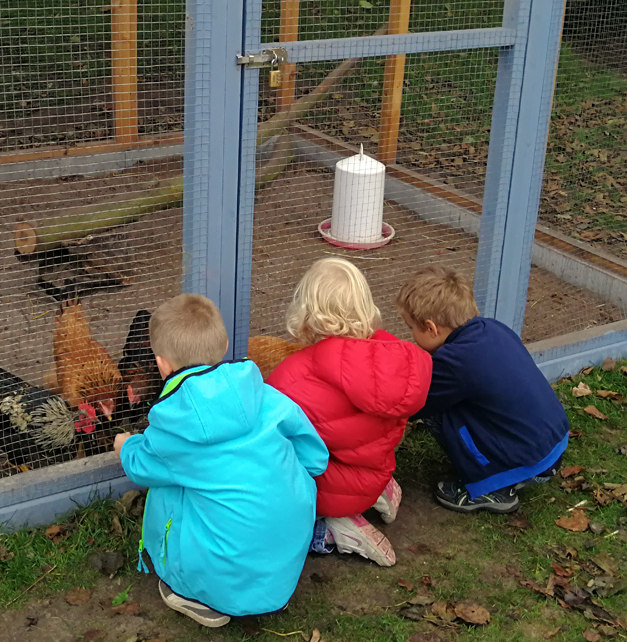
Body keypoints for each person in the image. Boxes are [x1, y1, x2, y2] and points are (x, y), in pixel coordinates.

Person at [113, 294, 328, 627]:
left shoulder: (174, 425)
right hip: (284, 565)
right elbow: (315, 459)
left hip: (225, 582)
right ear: (225, 343)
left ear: (162, 364)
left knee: (168, 485)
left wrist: (126, 445)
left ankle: (193, 593)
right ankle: (256, 574)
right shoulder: (268, 396)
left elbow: (141, 467)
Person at [267, 258, 432, 567]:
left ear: (306, 313)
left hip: (334, 489)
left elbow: (277, 439)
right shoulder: (391, 356)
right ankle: (382, 490)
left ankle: (335, 527)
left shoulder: (293, 376)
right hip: (376, 470)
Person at [396, 266, 568, 513]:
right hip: (551, 443)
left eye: (411, 327)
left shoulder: (456, 361)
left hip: (529, 461)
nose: (411, 335)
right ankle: (503, 466)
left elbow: (413, 403)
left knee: (436, 411)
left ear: (432, 328)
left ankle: (494, 489)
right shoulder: (492, 328)